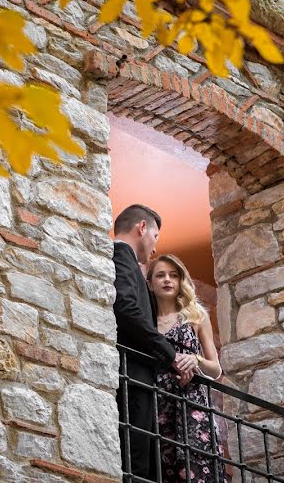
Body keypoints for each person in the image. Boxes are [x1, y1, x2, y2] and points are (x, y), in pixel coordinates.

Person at [112, 205, 198, 481]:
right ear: (141, 228)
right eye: (155, 236)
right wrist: (171, 355)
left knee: (142, 462)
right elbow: (126, 308)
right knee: (136, 464)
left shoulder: (129, 264)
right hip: (133, 380)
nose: (153, 246)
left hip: (139, 382)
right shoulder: (121, 256)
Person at [147, 254, 225, 483]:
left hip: (192, 405)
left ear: (181, 281)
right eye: (160, 275)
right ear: (150, 283)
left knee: (197, 469)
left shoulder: (196, 316)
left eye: (173, 275)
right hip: (158, 404)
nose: (167, 280)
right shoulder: (146, 322)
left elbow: (215, 369)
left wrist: (196, 360)